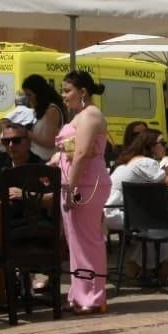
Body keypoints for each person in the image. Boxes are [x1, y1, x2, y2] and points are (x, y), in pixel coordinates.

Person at [54, 71, 110, 314]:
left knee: (87, 241)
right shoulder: (82, 116)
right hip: (76, 182)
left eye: (67, 91)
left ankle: (94, 296)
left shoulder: (91, 116)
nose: (64, 96)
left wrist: (71, 188)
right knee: (75, 241)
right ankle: (80, 294)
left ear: (83, 91)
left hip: (85, 184)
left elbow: (82, 152)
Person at [22, 75, 65, 161]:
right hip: (38, 159)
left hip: (46, 161)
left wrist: (28, 134)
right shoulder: (41, 111)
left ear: (38, 93)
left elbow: (51, 142)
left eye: (29, 95)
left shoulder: (51, 111)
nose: (27, 99)